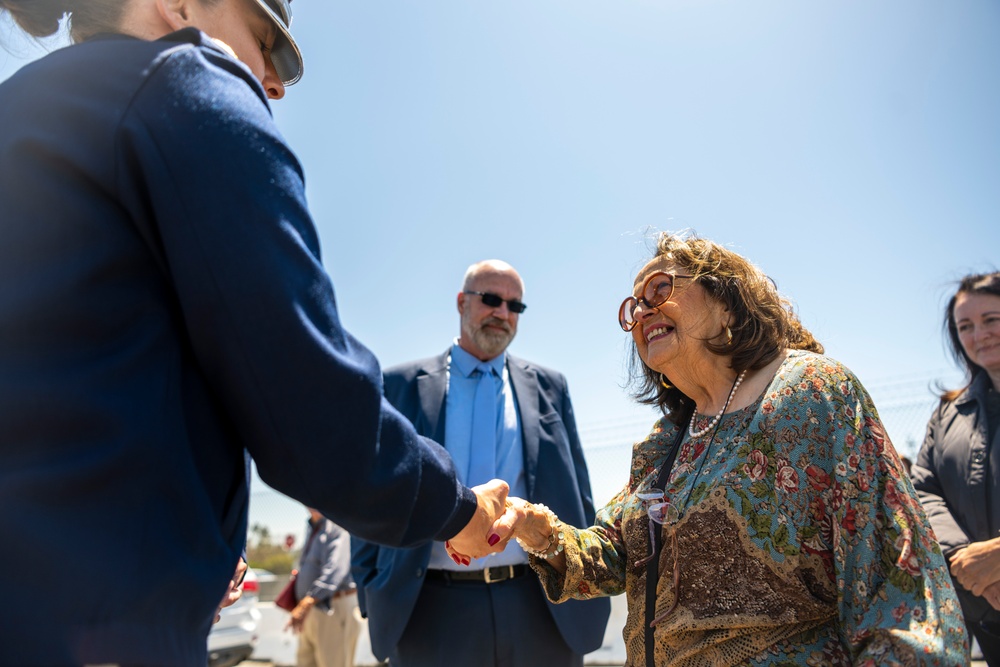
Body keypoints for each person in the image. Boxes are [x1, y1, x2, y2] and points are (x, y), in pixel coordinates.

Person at [0, 2, 509, 665]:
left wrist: (204, 548)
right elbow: (312, 411)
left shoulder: (23, 109)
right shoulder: (183, 84)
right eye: (266, 42)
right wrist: (458, 507)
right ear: (179, 5)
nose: (272, 80)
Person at [472, 232, 969, 665]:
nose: (643, 311)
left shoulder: (812, 393)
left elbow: (899, 580)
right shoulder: (664, 442)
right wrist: (534, 527)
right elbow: (616, 554)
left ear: (728, 301)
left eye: (660, 290)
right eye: (634, 307)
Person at [351, 260, 610, 667]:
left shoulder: (550, 386)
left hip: (540, 606)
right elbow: (369, 490)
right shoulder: (400, 385)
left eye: (514, 306)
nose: (502, 313)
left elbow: (578, 489)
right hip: (429, 609)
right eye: (491, 299)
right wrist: (370, 587)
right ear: (461, 303)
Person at [912, 271, 1000, 665]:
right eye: (965, 326)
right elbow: (924, 489)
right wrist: (965, 559)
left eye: (991, 320)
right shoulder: (948, 413)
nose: (979, 334)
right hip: (982, 607)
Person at [286, 509, 362, 667]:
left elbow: (335, 571)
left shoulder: (337, 525)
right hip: (309, 610)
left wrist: (307, 602)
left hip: (332, 607)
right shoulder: (312, 526)